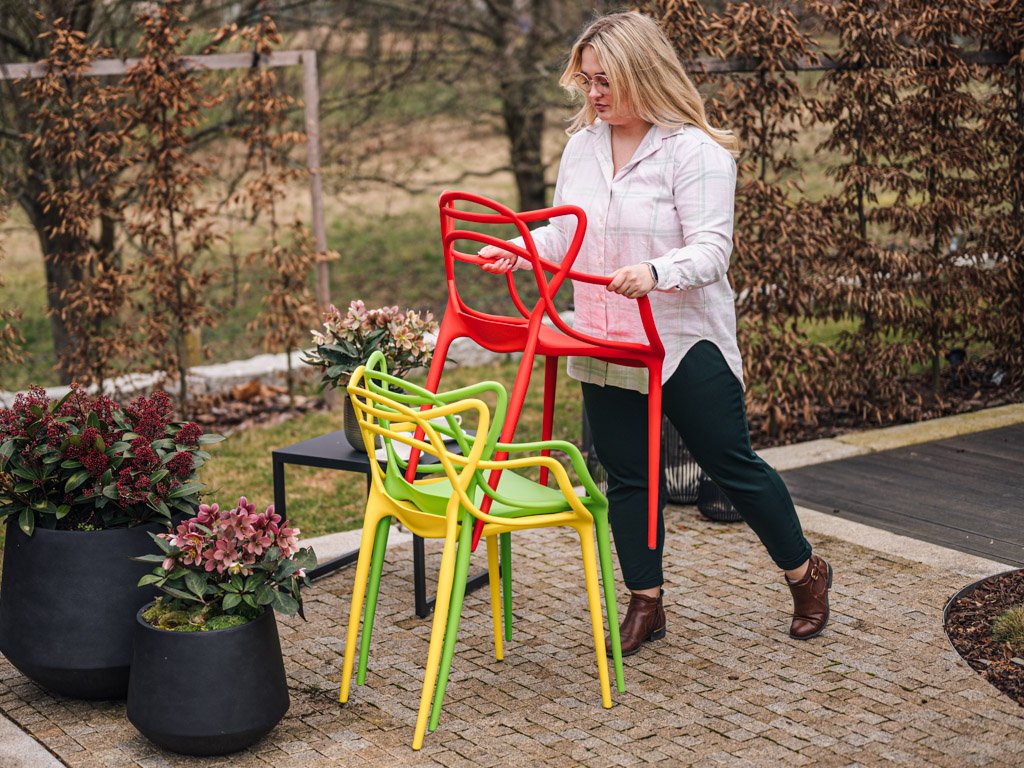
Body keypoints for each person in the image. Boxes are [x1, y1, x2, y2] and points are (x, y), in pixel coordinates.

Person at [478, 11, 832, 655]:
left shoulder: (695, 153)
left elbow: (711, 251)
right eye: (586, 80)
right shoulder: (582, 146)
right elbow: (566, 233)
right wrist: (521, 249)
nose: (592, 93)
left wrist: (655, 271)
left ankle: (805, 573)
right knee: (627, 477)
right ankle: (647, 600)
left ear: (644, 74)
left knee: (731, 465)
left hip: (683, 338)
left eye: (605, 80)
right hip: (605, 337)